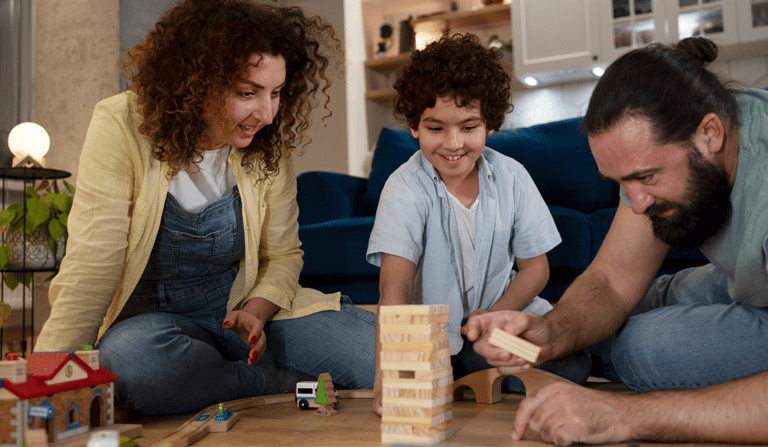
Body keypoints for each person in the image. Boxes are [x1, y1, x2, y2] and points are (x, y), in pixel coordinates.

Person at [33, 0, 376, 417]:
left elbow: (284, 256)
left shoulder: (268, 146)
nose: (266, 114)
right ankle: (269, 384)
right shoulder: (120, 124)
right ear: (197, 82)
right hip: (152, 326)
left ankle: (215, 377)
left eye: (276, 92)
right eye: (248, 93)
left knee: (376, 358)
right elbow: (94, 260)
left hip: (240, 313)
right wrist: (46, 375)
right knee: (131, 362)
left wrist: (255, 311)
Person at [463, 37, 768, 445]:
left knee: (640, 349)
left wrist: (623, 415)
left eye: (645, 177)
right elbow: (611, 279)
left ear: (710, 133)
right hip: (744, 278)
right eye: (622, 183)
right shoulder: (691, 136)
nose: (636, 204)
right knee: (616, 312)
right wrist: (552, 331)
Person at [366, 33, 591, 415]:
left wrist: (494, 318)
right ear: (415, 128)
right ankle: (461, 369)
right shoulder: (404, 187)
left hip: (497, 328)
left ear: (490, 126)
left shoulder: (513, 176)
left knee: (574, 365)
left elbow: (536, 269)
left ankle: (477, 366)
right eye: (436, 128)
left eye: (468, 127)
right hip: (433, 337)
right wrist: (388, 372)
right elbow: (395, 288)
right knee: (431, 372)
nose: (453, 144)